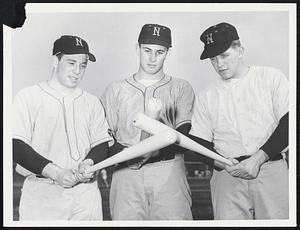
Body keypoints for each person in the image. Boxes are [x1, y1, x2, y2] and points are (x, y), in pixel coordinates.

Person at [189, 22, 289, 219]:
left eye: (224, 55)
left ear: (240, 50)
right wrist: (222, 163)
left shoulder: (270, 77)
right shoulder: (206, 95)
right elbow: (198, 142)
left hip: (270, 169)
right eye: (213, 59)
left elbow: (290, 122)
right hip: (227, 175)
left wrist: (258, 158)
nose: (220, 64)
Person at [13, 35, 113, 220]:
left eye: (83, 65)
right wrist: (55, 172)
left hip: (86, 193)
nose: (77, 71)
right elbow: (16, 145)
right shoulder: (28, 96)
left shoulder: (91, 102)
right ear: (55, 60)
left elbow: (101, 143)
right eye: (71, 63)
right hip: (43, 192)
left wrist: (89, 163)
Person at [101, 24, 194, 220]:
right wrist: (128, 156)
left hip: (167, 170)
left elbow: (183, 134)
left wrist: (150, 151)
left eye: (159, 52)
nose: (152, 58)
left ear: (168, 52)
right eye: (147, 50)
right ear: (138, 49)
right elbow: (105, 137)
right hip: (126, 171)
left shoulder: (181, 87)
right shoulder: (115, 89)